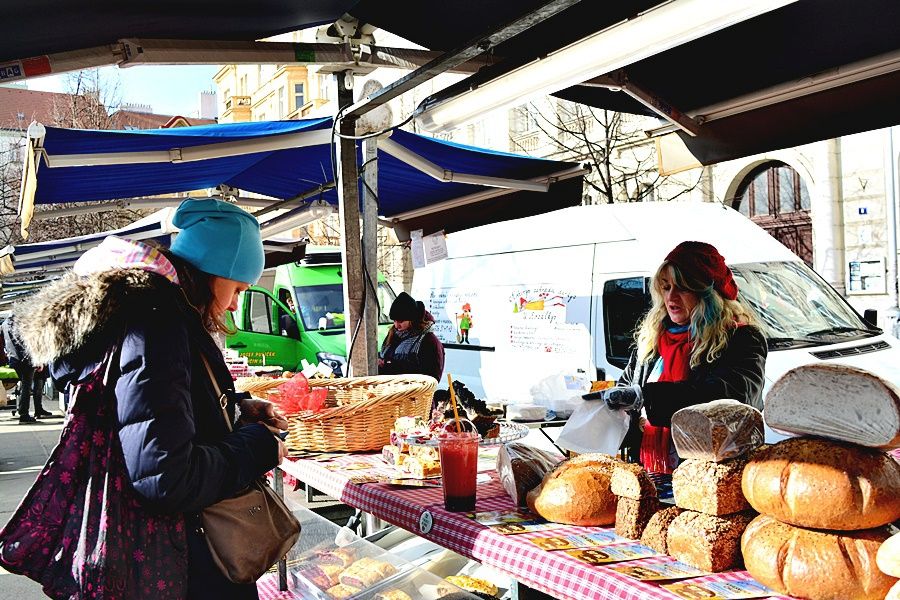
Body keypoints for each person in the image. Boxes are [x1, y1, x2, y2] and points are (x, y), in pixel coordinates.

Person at [12, 199, 288, 599]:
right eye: (237, 289)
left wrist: (235, 406)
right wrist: (259, 446)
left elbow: (154, 408)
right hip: (181, 564)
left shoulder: (150, 311)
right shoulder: (160, 320)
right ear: (212, 272)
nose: (232, 305)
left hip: (160, 558)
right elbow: (166, 476)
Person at [600, 241, 767, 472]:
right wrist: (615, 403)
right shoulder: (653, 337)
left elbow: (729, 398)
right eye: (666, 287)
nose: (671, 297)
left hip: (713, 472)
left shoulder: (741, 337)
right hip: (652, 468)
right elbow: (628, 387)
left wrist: (645, 397)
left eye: (682, 288)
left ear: (707, 293)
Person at [378, 292, 445, 381]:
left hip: (412, 392)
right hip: (388, 390)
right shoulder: (393, 334)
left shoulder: (429, 341)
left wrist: (389, 365)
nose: (397, 325)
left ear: (412, 320)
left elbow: (432, 377)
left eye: (401, 321)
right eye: (394, 321)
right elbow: (387, 356)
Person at [2, 315, 53, 422]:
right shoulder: (17, 323)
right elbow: (23, 346)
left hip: (14, 360)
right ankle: (24, 414)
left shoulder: (5, 324)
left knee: (26, 386)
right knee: (26, 387)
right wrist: (36, 360)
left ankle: (30, 411)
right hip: (24, 360)